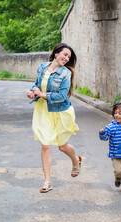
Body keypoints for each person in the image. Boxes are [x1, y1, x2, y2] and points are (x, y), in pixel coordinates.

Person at [26, 43, 81, 193]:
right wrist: (32, 92)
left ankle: (76, 160)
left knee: (62, 146)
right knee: (45, 145)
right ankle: (47, 181)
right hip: (43, 110)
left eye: (69, 57)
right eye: (64, 54)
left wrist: (42, 95)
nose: (66, 58)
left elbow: (62, 96)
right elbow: (37, 85)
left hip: (60, 111)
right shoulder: (42, 67)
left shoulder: (66, 73)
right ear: (56, 53)